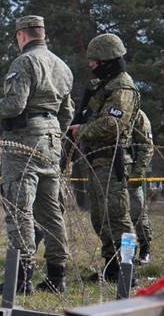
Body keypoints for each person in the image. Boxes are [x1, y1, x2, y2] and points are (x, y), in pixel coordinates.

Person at [0, 15, 73, 294]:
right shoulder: (62, 66)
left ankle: (21, 278)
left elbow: (16, 104)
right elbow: (67, 113)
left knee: (19, 209)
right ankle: (57, 277)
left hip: (23, 142)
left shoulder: (24, 62)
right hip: (52, 141)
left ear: (21, 36)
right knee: (51, 211)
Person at [69, 33, 140, 282]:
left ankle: (128, 271)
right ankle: (112, 266)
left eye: (95, 61)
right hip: (98, 161)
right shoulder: (102, 86)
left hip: (113, 160)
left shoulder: (122, 87)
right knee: (100, 218)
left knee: (118, 217)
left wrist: (83, 130)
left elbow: (113, 124)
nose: (91, 65)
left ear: (108, 60)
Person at [129, 110, 154, 264]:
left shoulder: (138, 116)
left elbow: (147, 147)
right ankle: (127, 253)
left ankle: (145, 249)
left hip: (133, 171)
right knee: (118, 217)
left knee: (137, 212)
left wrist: (136, 175)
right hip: (112, 171)